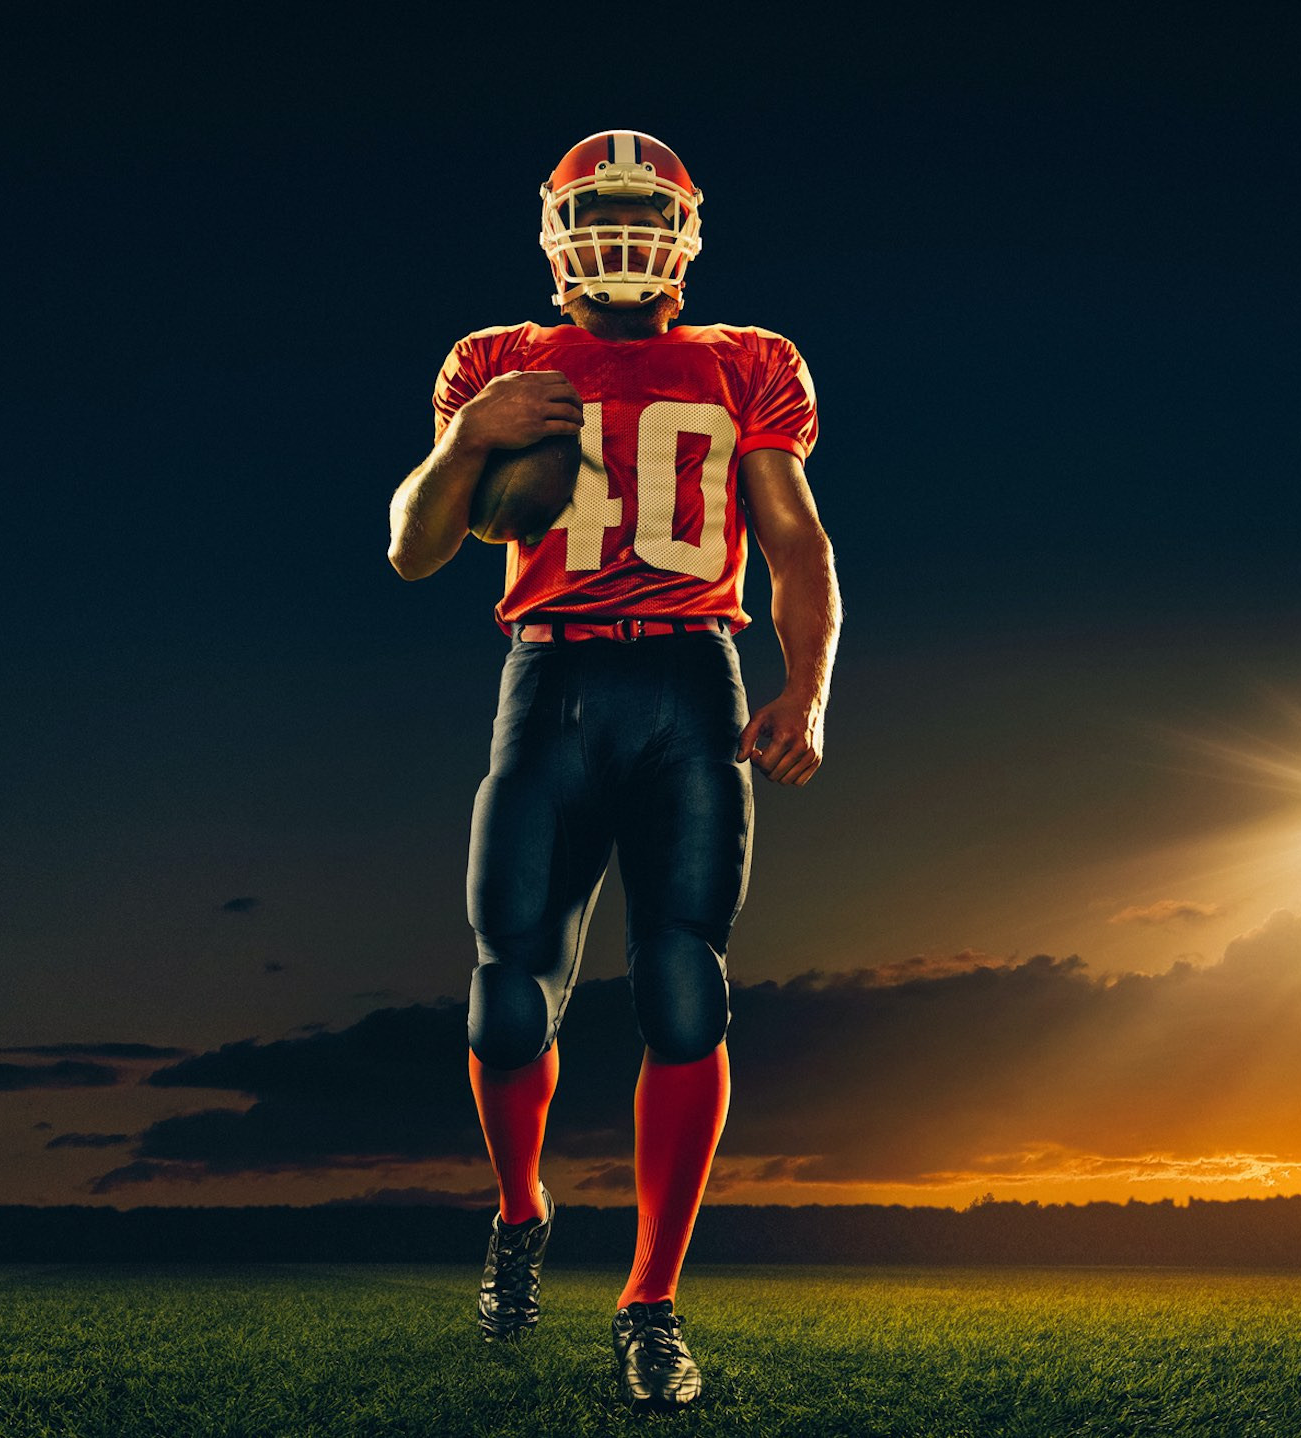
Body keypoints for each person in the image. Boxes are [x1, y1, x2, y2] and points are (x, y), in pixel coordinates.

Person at [384, 129, 841, 1412]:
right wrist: (468, 439)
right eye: (599, 212)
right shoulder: (494, 361)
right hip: (549, 681)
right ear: (555, 231)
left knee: (685, 990)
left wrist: (806, 688)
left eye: (641, 211)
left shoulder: (748, 359)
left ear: (685, 232)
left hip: (692, 679)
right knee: (505, 999)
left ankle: (650, 1302)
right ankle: (520, 1214)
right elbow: (414, 548)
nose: (621, 234)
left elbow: (795, 541)